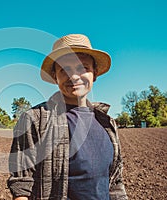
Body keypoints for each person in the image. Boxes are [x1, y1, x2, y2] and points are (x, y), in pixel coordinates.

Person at [7, 34, 128, 200]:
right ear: (55, 76)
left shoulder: (107, 124)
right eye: (65, 70)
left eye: (83, 68)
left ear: (95, 73)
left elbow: (115, 183)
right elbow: (22, 186)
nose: (74, 76)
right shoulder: (35, 119)